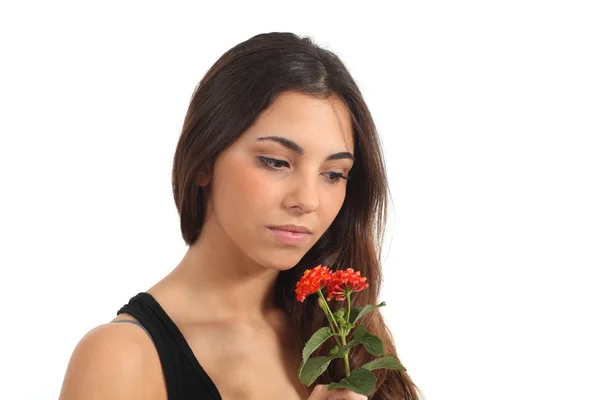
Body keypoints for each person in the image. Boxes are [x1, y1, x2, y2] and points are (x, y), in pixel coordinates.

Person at [58, 32, 421, 400]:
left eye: (333, 174)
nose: (307, 200)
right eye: (276, 162)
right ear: (204, 161)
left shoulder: (342, 333)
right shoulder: (121, 358)